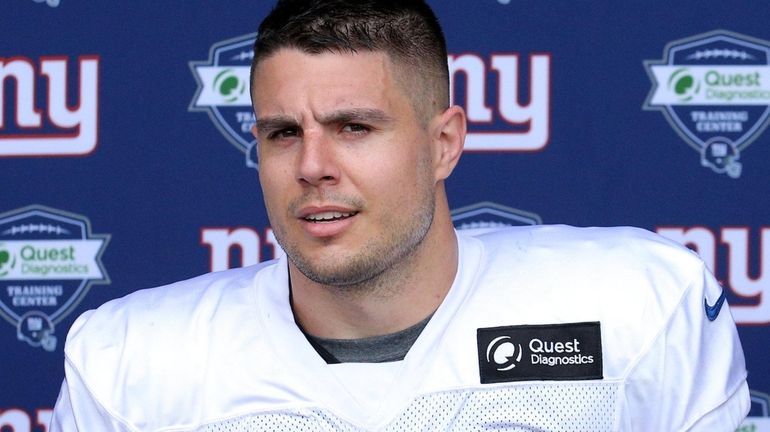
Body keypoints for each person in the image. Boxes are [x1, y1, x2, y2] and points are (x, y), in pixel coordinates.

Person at [50, 0, 749, 430]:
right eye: (282, 133)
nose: (312, 165)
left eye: (354, 127)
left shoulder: (639, 307)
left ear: (444, 143)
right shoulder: (134, 366)